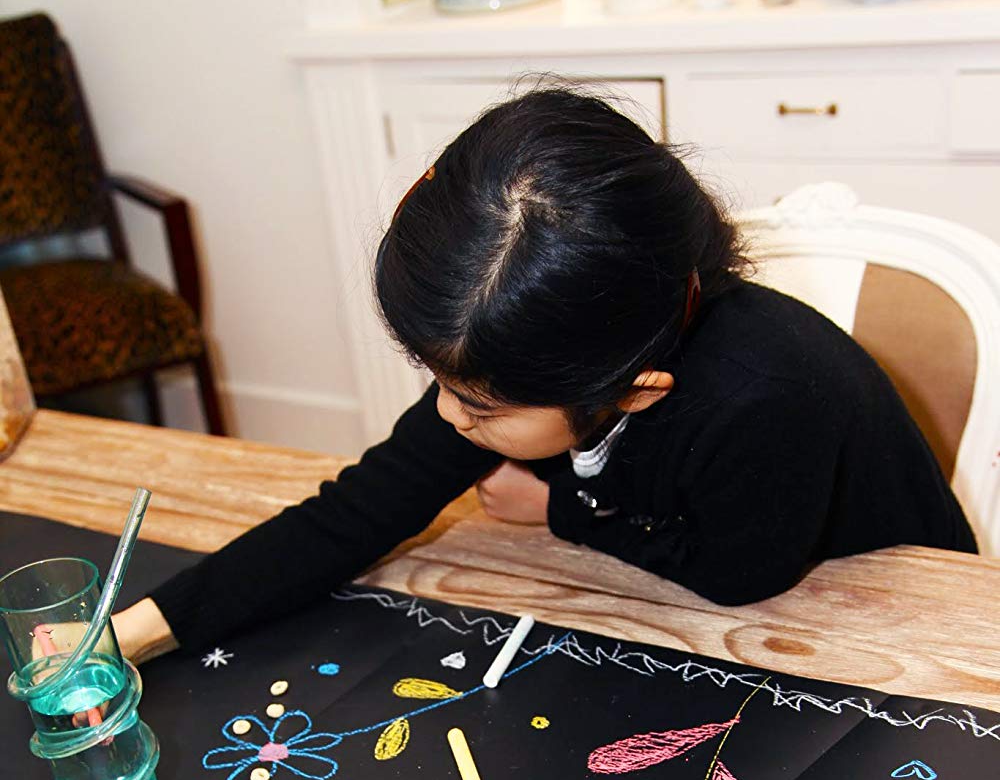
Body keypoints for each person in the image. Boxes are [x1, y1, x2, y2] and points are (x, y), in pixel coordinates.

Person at [114, 83, 976, 664]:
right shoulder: (525, 352)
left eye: (477, 405)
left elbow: (740, 575)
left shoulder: (765, 394)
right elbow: (356, 512)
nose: (448, 416)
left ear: (634, 390)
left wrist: (556, 509)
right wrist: (136, 632)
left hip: (909, 619)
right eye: (440, 380)